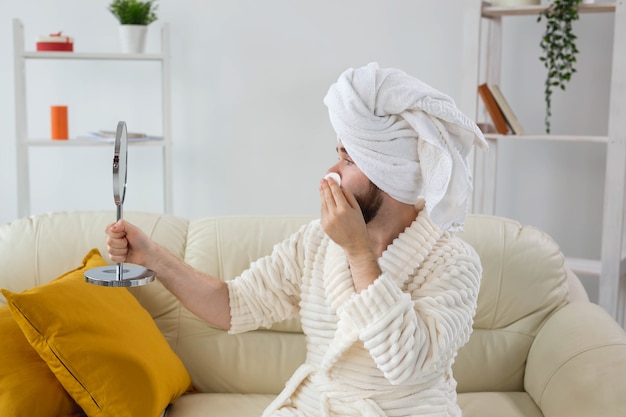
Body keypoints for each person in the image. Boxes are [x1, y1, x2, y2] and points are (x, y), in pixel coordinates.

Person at [106, 62, 488, 416]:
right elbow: (233, 305)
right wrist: (153, 256)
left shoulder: (453, 261)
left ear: (388, 172)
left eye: (348, 160)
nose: (331, 171)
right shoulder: (315, 243)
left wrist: (357, 250)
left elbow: (407, 363)